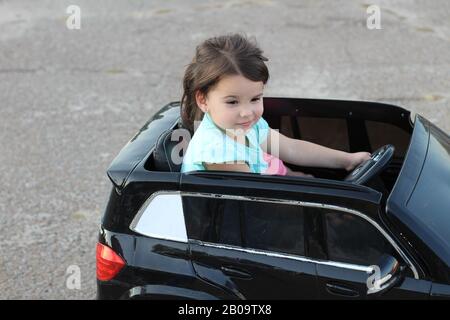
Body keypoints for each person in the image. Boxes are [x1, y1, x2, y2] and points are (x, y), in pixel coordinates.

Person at [180, 33, 370, 177]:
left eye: (255, 99)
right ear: (203, 100)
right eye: (232, 102)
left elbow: (291, 148)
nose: (247, 113)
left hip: (276, 181)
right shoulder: (219, 154)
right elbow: (255, 200)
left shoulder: (243, 125)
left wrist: (347, 160)